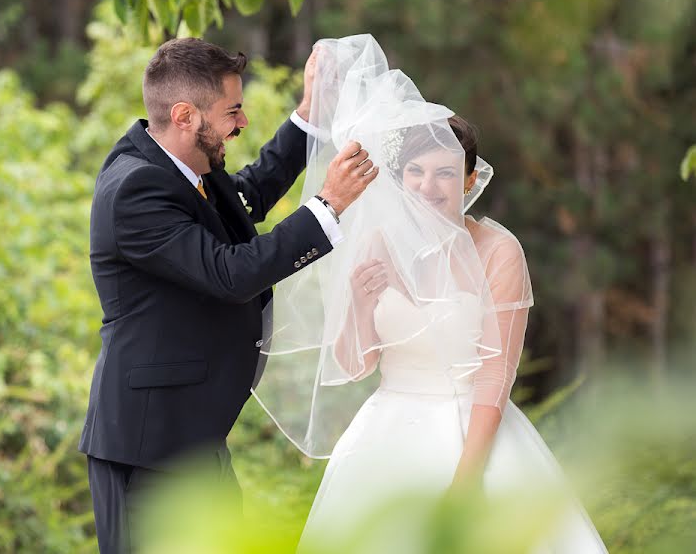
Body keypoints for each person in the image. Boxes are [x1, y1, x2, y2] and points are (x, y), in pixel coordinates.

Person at [252, 35, 607, 553]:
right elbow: (354, 365)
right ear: (401, 179)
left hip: (475, 432)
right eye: (415, 173)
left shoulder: (498, 251)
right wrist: (358, 300)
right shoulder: (378, 242)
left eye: (444, 173)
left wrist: (467, 480)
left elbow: (496, 374)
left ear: (468, 181)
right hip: (386, 433)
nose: (428, 186)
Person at [77, 37, 379, 554]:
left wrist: (308, 115)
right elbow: (230, 273)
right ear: (184, 115)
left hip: (194, 438)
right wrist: (329, 204)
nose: (241, 124)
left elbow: (249, 195)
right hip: (149, 447)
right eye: (232, 111)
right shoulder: (134, 189)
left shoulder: (184, 169)